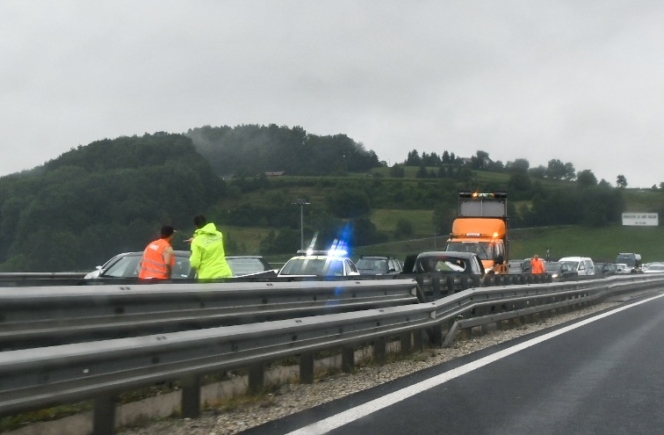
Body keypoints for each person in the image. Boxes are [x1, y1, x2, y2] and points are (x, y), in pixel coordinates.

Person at [189, 215, 233, 279]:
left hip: (208, 278)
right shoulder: (219, 235)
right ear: (206, 223)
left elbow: (194, 263)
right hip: (225, 273)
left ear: (196, 226)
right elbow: (208, 239)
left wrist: (193, 242)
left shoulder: (196, 242)